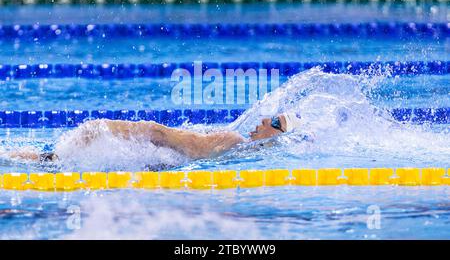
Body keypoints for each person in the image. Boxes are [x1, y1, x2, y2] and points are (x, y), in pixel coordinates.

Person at [9, 110, 304, 163]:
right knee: (51, 161)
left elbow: (170, 137)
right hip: (151, 151)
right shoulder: (234, 142)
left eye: (275, 121)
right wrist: (108, 127)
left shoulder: (237, 145)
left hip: (154, 154)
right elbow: (171, 137)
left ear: (278, 135)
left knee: (52, 161)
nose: (265, 119)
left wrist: (106, 127)